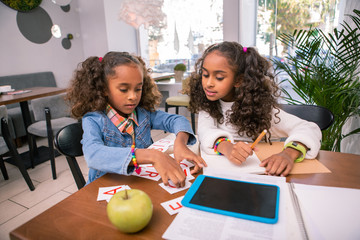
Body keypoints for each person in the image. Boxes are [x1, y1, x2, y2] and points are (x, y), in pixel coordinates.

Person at [67, 51, 206, 186]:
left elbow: (177, 120)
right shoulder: (93, 120)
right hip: (104, 187)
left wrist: (180, 143)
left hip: (139, 183)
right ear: (104, 89)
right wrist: (153, 156)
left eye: (138, 89)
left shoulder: (143, 113)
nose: (133, 96)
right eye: (124, 89)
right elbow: (94, 155)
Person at [188, 41, 321, 177]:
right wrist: (227, 147)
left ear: (238, 80)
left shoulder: (262, 110)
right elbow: (205, 131)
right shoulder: (208, 105)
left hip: (262, 178)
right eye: (205, 75)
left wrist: (288, 154)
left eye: (219, 77)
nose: (208, 83)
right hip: (222, 176)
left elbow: (309, 128)